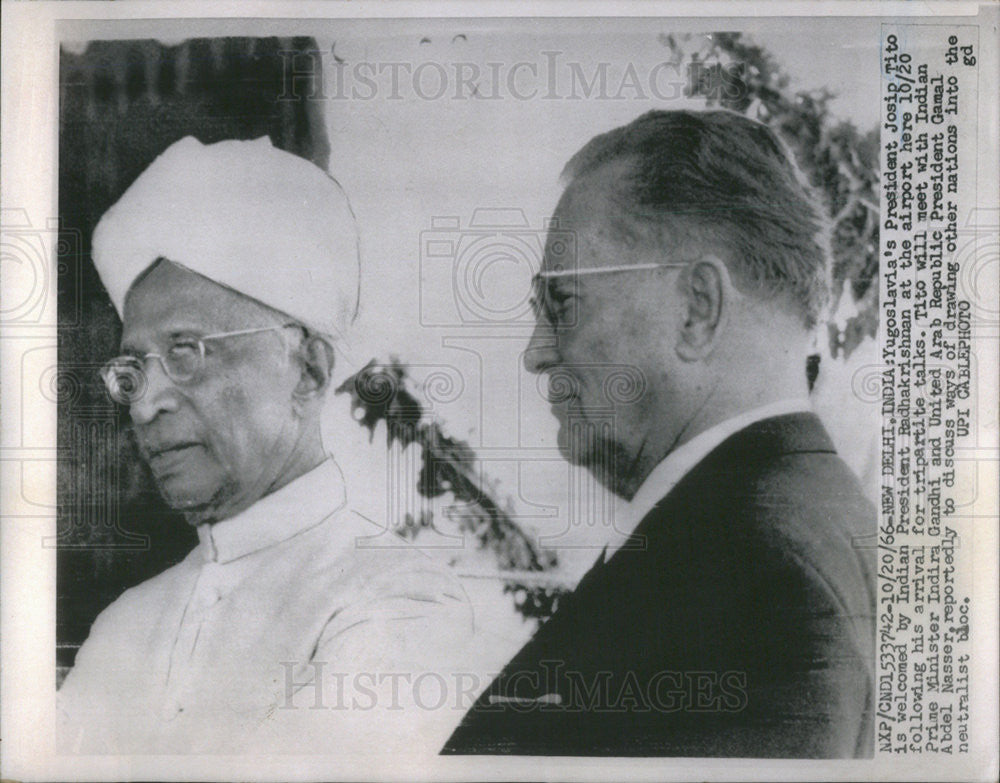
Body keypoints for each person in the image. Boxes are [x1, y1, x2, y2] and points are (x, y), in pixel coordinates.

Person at [442, 110, 876, 758]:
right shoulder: (788, 519)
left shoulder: (752, 571)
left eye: (561, 304)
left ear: (697, 309)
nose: (536, 353)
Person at [58, 136, 473, 754]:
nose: (145, 404)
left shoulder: (399, 601)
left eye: (186, 352)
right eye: (133, 370)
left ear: (307, 369)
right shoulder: (123, 626)